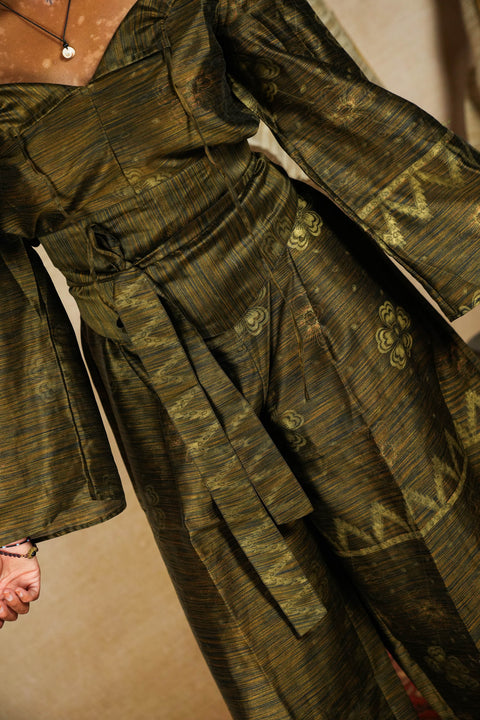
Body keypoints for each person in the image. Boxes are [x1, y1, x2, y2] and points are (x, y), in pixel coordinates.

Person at [1, 0, 480, 717]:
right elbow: (6, 305)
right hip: (155, 372)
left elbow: (326, 98)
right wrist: (9, 531)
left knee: (445, 552)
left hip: (311, 294)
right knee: (273, 642)